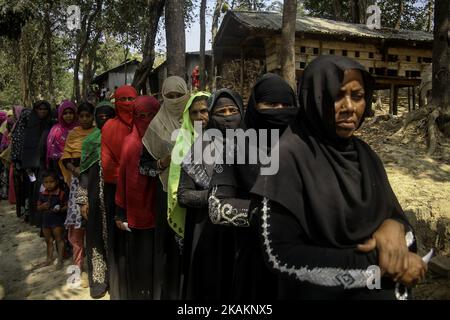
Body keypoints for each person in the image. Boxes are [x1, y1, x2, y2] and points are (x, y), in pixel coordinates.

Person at [250, 55, 427, 299]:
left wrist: (394, 228)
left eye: (357, 96)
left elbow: (398, 221)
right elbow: (279, 255)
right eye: (337, 95)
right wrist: (376, 262)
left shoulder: (365, 155)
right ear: (316, 97)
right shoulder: (285, 158)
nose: (349, 108)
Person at [207, 74, 299, 300]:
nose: (279, 110)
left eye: (286, 105)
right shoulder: (234, 147)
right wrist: (263, 214)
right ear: (256, 107)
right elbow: (216, 206)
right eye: (270, 104)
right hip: (254, 259)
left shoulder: (307, 147)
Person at [178, 88, 244, 300]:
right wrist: (216, 198)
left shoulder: (254, 147)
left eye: (232, 110)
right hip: (207, 232)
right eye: (220, 111)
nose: (227, 116)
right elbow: (183, 195)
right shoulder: (199, 148)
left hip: (242, 235)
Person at [140, 76, 189, 299]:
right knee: (169, 249)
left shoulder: (197, 118)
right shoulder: (156, 126)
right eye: (170, 96)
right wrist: (163, 162)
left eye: (179, 95)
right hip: (167, 195)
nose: (175, 100)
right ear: (162, 97)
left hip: (196, 194)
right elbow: (144, 166)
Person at [114, 96, 161, 299]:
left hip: (162, 207)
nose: (146, 120)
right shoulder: (130, 142)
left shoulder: (169, 137)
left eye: (152, 115)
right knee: (142, 256)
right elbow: (123, 179)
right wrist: (120, 212)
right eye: (141, 116)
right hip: (138, 211)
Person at [76, 101, 115, 299]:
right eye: (100, 116)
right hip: (94, 198)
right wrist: (83, 200)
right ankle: (99, 284)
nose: (105, 120)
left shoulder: (120, 137)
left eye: (109, 116)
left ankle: (116, 284)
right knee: (95, 239)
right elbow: (83, 174)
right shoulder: (90, 142)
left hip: (116, 200)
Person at [101, 85, 137, 300]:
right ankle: (120, 289)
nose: (127, 104)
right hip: (116, 190)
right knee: (119, 240)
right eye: (122, 99)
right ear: (115, 101)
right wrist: (129, 178)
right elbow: (107, 163)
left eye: (131, 99)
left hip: (141, 192)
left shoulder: (144, 123)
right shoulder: (110, 127)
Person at [60, 102, 95, 281]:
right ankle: (77, 268)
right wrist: (76, 171)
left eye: (87, 115)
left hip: (95, 182)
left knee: (93, 224)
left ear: (92, 116)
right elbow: (66, 158)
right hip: (77, 184)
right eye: (81, 116)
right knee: (77, 227)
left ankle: (94, 270)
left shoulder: (98, 134)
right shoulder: (73, 134)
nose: (84, 119)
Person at [12, 100, 53, 226]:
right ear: (35, 110)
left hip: (44, 165)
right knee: (32, 189)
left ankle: (43, 218)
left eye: (45, 109)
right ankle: (32, 216)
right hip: (29, 167)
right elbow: (20, 146)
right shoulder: (27, 125)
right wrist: (21, 165)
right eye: (40, 109)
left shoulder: (50, 124)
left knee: (44, 188)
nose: (42, 111)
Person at [36, 169, 68, 269]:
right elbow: (38, 207)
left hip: (57, 220)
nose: (49, 184)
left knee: (59, 239)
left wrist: (60, 209)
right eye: (46, 182)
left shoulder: (61, 193)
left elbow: (67, 206)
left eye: (51, 182)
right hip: (46, 220)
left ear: (57, 182)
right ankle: (49, 259)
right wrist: (43, 206)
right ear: (43, 183)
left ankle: (60, 260)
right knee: (48, 240)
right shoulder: (42, 194)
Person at [46, 100, 78, 176]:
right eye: (65, 113)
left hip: (79, 168)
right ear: (60, 114)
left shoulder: (80, 128)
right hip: (59, 169)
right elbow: (52, 152)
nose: (68, 115)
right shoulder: (55, 130)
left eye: (71, 113)